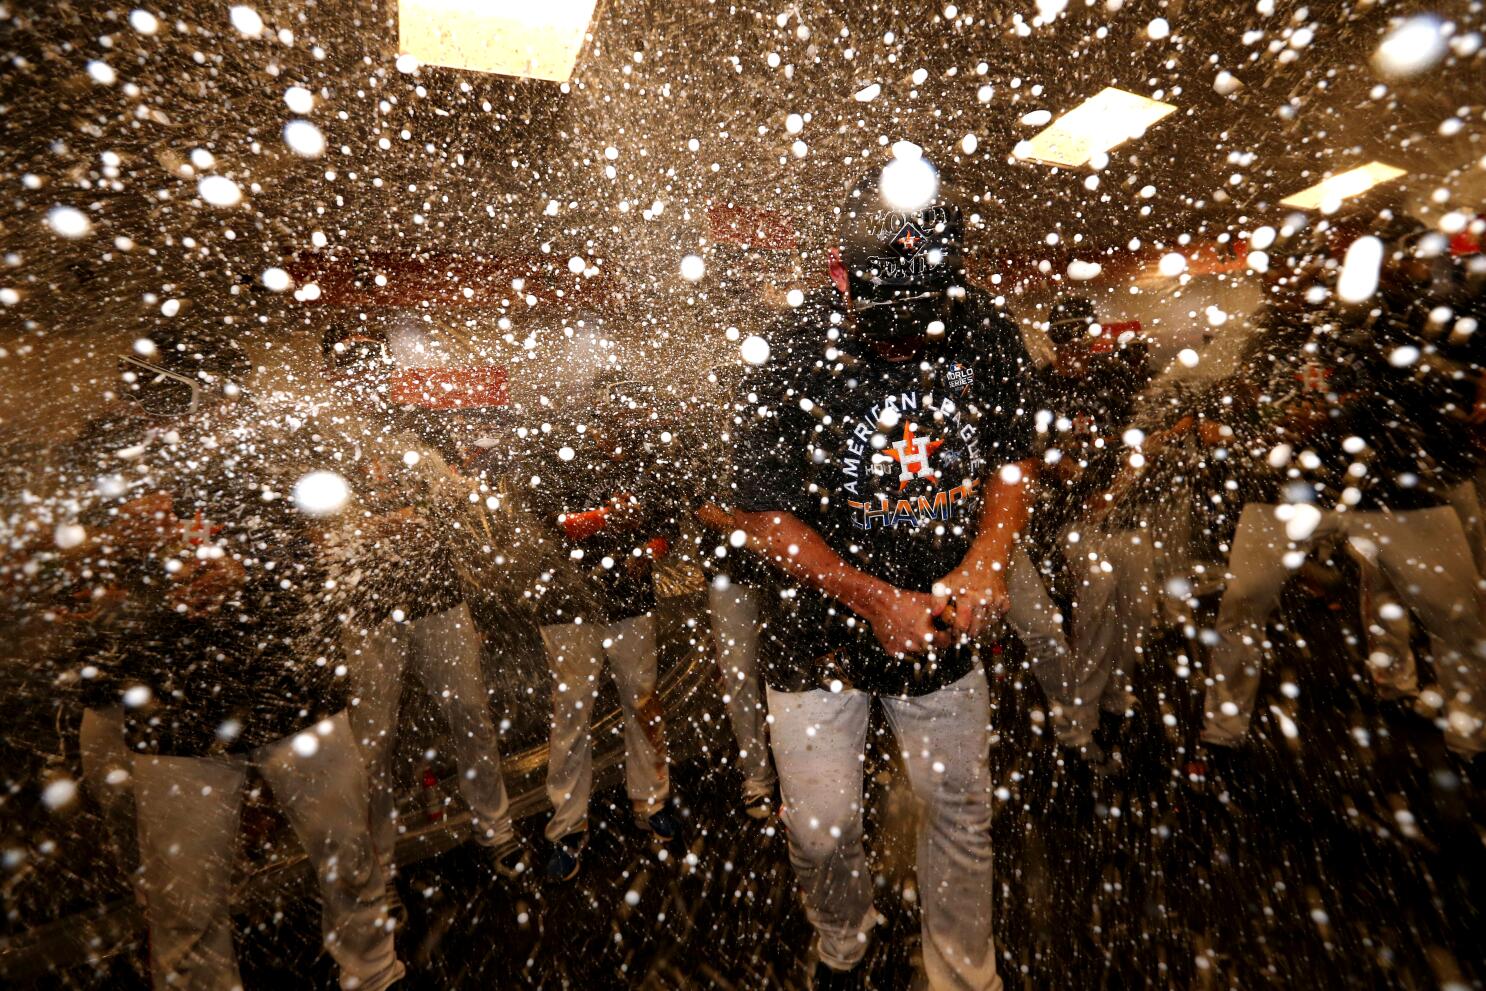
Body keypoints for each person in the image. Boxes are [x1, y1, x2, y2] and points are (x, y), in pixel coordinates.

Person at [732, 161, 1033, 991]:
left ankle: (963, 976)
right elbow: (764, 514)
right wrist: (870, 597)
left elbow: (1012, 465)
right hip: (816, 634)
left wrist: (983, 563)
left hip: (943, 626)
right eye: (886, 322)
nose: (905, 341)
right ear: (840, 269)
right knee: (823, 832)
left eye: (922, 320)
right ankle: (843, 936)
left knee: (961, 815)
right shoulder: (790, 350)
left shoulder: (987, 331)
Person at [62, 331, 402, 991]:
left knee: (350, 861)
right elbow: (63, 571)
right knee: (185, 909)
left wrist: (245, 570)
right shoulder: (107, 463)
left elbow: (322, 547)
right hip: (174, 703)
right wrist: (117, 549)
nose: (169, 419)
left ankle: (376, 974)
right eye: (152, 402)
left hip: (290, 690)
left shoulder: (272, 454)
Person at [1201, 217, 1486, 765]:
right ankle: (1223, 732)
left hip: (1393, 489)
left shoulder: (1377, 317)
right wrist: (1260, 417)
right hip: (1290, 493)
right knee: (1241, 604)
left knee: (1459, 616)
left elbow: (1425, 384)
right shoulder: (1268, 335)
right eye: (1271, 274)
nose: (1278, 284)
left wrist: (1341, 410)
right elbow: (1253, 404)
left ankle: (1469, 739)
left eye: (1289, 271)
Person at [319, 326, 528, 893]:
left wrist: (470, 481)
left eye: (371, 367)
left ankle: (496, 828)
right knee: (373, 744)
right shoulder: (317, 442)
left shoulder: (415, 423)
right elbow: (312, 538)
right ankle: (379, 873)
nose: (363, 380)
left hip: (438, 598)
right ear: (332, 379)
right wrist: (368, 528)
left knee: (472, 716)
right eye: (349, 370)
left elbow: (453, 499)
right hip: (367, 611)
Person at [522, 373, 684, 881]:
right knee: (571, 715)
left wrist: (647, 550)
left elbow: (669, 524)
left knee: (644, 704)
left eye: (630, 414)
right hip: (567, 605)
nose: (622, 424)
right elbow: (545, 519)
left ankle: (651, 800)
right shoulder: (558, 450)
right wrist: (604, 517)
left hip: (630, 602)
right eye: (614, 414)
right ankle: (568, 825)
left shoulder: (646, 457)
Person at [695, 362, 779, 819]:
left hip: (783, 575)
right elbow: (703, 508)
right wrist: (759, 532)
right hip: (730, 576)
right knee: (742, 676)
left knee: (790, 671)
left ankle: (795, 771)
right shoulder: (707, 447)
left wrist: (763, 533)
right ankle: (758, 777)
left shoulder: (779, 438)